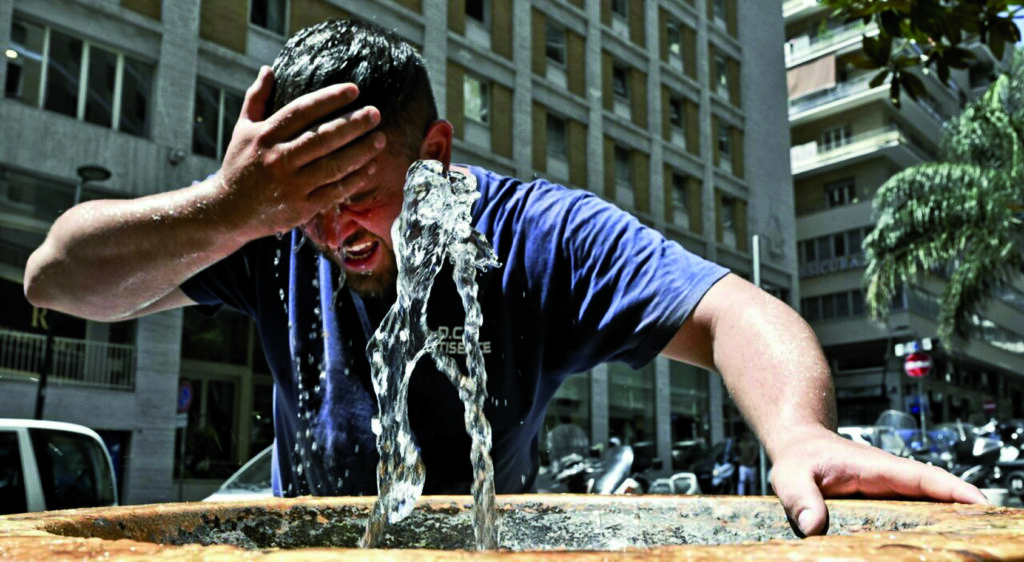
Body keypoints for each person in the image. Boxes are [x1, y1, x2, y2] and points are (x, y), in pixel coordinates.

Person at [23, 19, 987, 537]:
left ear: (436, 154)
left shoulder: (535, 237)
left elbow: (736, 311)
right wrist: (233, 207)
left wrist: (799, 431)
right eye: (306, 201)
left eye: (360, 193)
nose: (334, 229)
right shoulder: (273, 224)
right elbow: (55, 280)